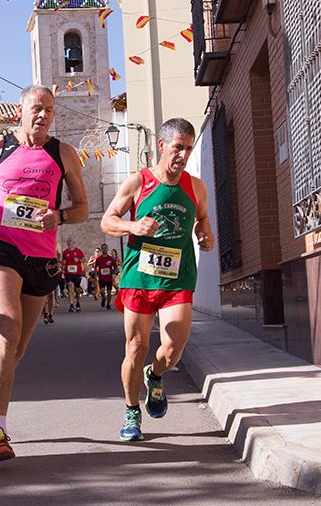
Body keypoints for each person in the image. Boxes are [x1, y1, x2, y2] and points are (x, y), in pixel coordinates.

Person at [0, 84, 88, 463]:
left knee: (17, 350)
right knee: (6, 332)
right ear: (20, 112)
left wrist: (57, 216)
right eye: (36, 109)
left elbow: (82, 209)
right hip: (3, 252)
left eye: (49, 110)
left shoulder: (64, 154)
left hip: (41, 260)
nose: (43, 116)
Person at [101, 118, 214, 442]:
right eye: (178, 147)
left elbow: (202, 218)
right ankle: (132, 410)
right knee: (136, 347)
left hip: (177, 277)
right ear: (163, 146)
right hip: (139, 277)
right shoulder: (139, 182)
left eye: (189, 149)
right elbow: (108, 221)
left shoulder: (196, 186)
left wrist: (205, 233)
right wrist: (131, 227)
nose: (183, 155)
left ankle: (156, 374)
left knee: (174, 346)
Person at [62, 237, 85, 312]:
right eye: (68, 241)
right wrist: (63, 262)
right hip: (68, 273)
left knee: (77, 289)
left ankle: (78, 302)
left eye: (70, 241)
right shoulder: (65, 252)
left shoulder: (78, 251)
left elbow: (84, 259)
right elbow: (63, 260)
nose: (68, 243)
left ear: (73, 243)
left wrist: (78, 260)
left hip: (77, 273)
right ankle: (71, 304)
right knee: (70, 286)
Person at [94, 244, 118, 309]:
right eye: (103, 248)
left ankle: (108, 304)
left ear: (107, 249)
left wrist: (114, 274)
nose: (104, 249)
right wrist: (96, 275)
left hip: (109, 278)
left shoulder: (110, 259)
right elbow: (95, 267)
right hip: (102, 278)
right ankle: (103, 298)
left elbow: (116, 268)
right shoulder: (99, 259)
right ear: (101, 250)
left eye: (105, 248)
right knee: (102, 291)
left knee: (109, 292)